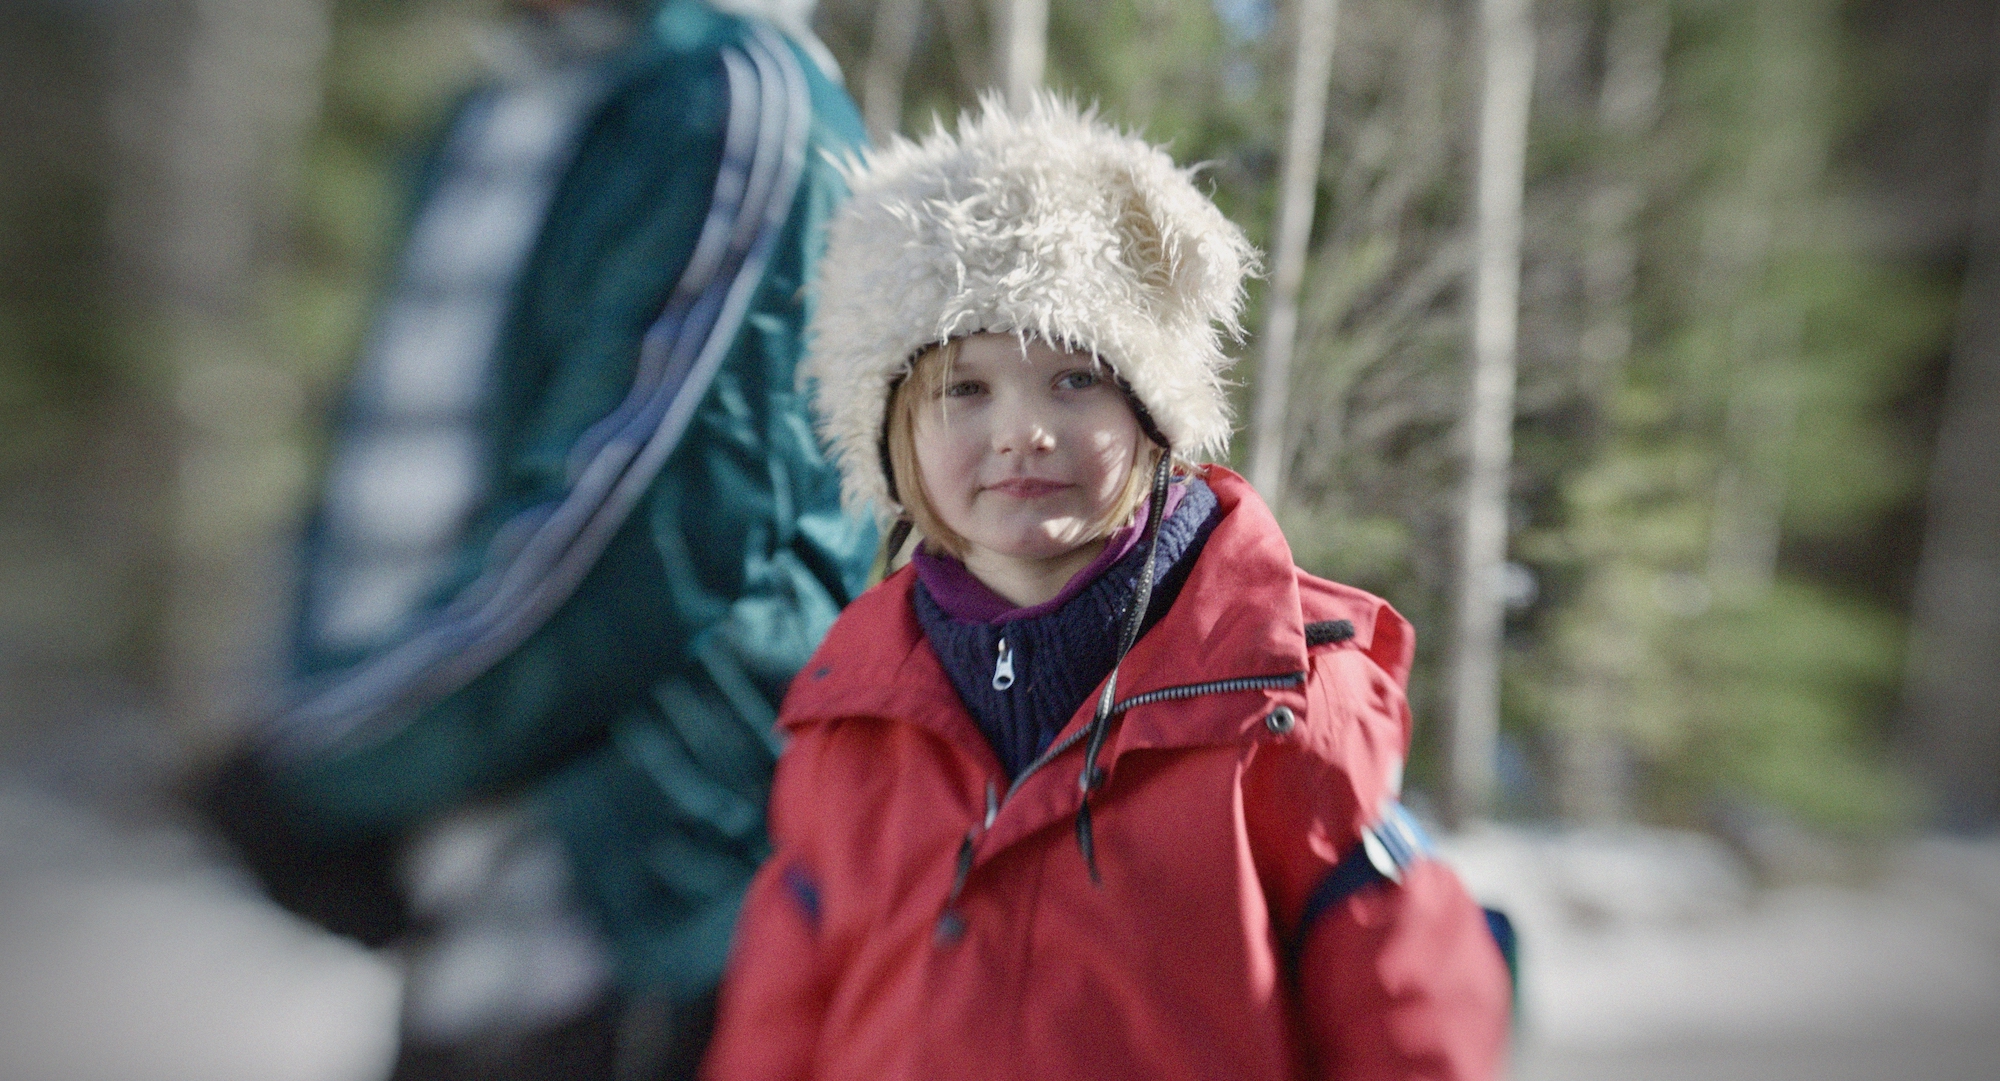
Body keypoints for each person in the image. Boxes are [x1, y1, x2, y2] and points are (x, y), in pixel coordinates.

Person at [700, 96, 1512, 1081]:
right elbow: (777, 1023)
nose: (1021, 431)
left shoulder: (1286, 699)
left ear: (1153, 413)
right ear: (892, 429)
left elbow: (1410, 1017)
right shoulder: (847, 720)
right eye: (965, 388)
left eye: (1075, 379)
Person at [202, 1, 874, 1078]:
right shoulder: (493, 108)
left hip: (635, 923)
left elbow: (622, 549)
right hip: (460, 909)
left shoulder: (740, 103)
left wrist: (327, 765)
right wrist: (307, 729)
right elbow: (383, 479)